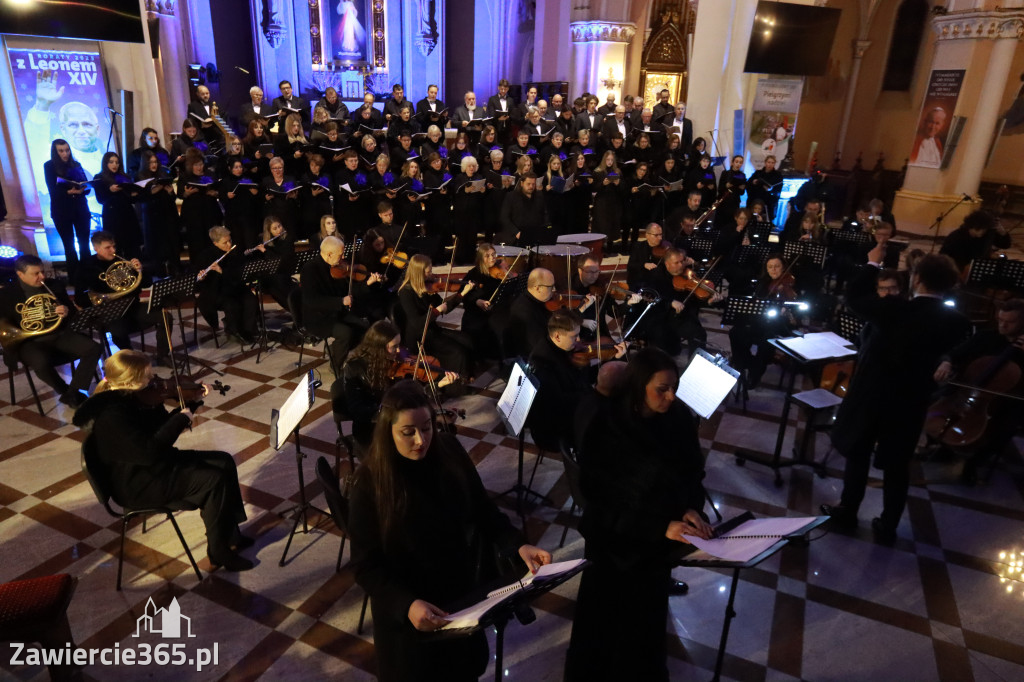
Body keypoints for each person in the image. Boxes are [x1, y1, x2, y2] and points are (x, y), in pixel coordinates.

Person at [349, 380, 551, 682]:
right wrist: (406, 605)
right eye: (408, 432)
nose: (421, 440)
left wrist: (517, 545)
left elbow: (483, 509)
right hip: (409, 616)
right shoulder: (369, 482)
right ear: (388, 432)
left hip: (459, 596)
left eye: (427, 427)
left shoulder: (449, 449)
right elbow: (366, 566)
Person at [565, 347, 713, 682]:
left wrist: (691, 506)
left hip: (654, 552)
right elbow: (601, 500)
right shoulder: (607, 425)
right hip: (614, 548)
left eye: (674, 387)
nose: (671, 397)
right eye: (662, 389)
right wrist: (660, 525)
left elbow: (692, 472)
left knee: (644, 633)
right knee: (604, 636)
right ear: (637, 387)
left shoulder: (677, 420)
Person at [822, 252, 971, 544]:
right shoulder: (957, 322)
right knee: (897, 464)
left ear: (916, 279)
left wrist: (871, 264)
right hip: (910, 400)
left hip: (871, 395)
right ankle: (888, 523)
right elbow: (963, 351)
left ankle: (848, 511)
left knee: (858, 453)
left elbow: (854, 296)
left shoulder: (896, 309)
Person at [73, 350, 253, 571]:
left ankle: (229, 534)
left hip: (154, 466)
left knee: (224, 461)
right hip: (137, 482)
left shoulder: (140, 397)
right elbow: (149, 451)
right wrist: (181, 417)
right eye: (148, 376)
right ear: (130, 382)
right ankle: (218, 552)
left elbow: (161, 431)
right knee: (213, 480)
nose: (155, 380)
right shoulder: (112, 415)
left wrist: (192, 404)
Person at [933, 299, 1024, 484]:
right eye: (1000, 320)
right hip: (969, 391)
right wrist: (947, 361)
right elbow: (955, 353)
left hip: (1004, 401)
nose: (1002, 325)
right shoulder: (987, 337)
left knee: (1005, 426)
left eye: (1009, 322)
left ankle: (974, 462)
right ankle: (944, 446)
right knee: (934, 404)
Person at [0, 255, 102, 408]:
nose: (42, 277)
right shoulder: (6, 294)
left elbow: (73, 311)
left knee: (94, 348)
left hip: (59, 333)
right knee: (41, 362)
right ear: (20, 274)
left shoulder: (54, 286)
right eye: (36, 274)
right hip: (29, 341)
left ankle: (73, 392)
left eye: (42, 272)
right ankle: (64, 391)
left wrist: (66, 311)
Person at [342, 320, 458, 453]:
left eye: (399, 345)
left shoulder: (394, 363)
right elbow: (357, 409)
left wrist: (438, 385)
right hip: (372, 428)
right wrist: (392, 414)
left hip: (399, 421)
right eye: (394, 346)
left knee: (434, 438)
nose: (399, 351)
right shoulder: (354, 368)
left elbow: (412, 395)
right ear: (379, 347)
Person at [528, 309, 625, 449]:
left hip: (572, 408)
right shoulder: (543, 363)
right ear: (557, 336)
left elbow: (584, 377)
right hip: (556, 427)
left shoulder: (564, 349)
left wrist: (613, 358)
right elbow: (559, 402)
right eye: (574, 336)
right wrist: (594, 394)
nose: (579, 340)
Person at [73, 230, 169, 360]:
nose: (113, 250)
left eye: (114, 246)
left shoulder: (122, 259)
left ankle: (163, 356)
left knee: (165, 316)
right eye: (108, 247)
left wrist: (140, 271)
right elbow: (80, 297)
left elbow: (146, 283)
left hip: (132, 306)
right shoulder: (86, 266)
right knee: (119, 331)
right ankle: (133, 360)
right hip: (109, 311)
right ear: (96, 248)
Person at [300, 235, 375, 375]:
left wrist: (367, 284)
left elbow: (349, 292)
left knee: (364, 328)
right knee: (345, 332)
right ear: (329, 254)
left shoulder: (338, 268)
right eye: (340, 255)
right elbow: (312, 300)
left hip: (337, 313)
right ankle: (336, 365)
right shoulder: (310, 269)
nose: (342, 259)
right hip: (318, 317)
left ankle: (338, 351)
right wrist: (340, 301)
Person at [397, 255, 476, 378]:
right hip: (420, 337)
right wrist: (436, 311)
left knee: (467, 340)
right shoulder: (406, 293)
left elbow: (445, 307)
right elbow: (417, 323)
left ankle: (468, 375)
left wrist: (462, 293)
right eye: (428, 272)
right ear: (418, 273)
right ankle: (457, 384)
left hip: (433, 330)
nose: (431, 274)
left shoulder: (427, 288)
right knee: (457, 352)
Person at [727, 254, 797, 388]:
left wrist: (786, 311)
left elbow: (796, 312)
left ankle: (756, 372)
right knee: (735, 332)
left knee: (767, 341)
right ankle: (746, 364)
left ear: (784, 268)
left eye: (777, 266)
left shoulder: (790, 283)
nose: (774, 270)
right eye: (770, 267)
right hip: (760, 322)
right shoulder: (762, 283)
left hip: (779, 325)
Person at [194, 226, 259, 345]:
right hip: (216, 292)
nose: (229, 244)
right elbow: (197, 280)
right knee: (231, 304)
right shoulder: (205, 255)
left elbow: (239, 274)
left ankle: (248, 330)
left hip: (234, 286)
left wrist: (222, 271)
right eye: (225, 242)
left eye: (230, 240)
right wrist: (202, 277)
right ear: (215, 243)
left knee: (250, 299)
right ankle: (235, 330)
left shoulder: (235, 253)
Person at [43, 139, 93, 277]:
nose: (65, 153)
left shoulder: (76, 164)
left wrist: (83, 188)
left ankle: (88, 276)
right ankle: (75, 278)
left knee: (84, 243)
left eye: (67, 150)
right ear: (55, 152)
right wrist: (68, 192)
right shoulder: (49, 166)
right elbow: (52, 189)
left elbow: (85, 185)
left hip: (80, 208)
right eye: (61, 151)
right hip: (61, 210)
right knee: (69, 246)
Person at [135, 150, 180, 275]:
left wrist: (170, 191)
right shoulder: (140, 177)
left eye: (155, 162)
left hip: (168, 214)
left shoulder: (163, 174)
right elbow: (140, 198)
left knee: (172, 243)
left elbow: (173, 198)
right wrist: (155, 190)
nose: (153, 165)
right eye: (150, 163)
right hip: (152, 216)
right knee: (156, 246)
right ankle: (159, 271)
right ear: (145, 164)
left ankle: (175, 268)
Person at [92, 152, 144, 260]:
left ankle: (135, 273)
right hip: (112, 216)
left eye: (117, 162)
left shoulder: (124, 177)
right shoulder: (99, 178)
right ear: (105, 163)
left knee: (132, 248)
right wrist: (110, 190)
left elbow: (132, 199)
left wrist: (135, 193)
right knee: (116, 247)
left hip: (127, 214)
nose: (115, 165)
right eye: (111, 162)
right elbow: (100, 199)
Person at [503, 268, 556, 359]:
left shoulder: (539, 301)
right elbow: (539, 345)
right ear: (538, 288)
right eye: (551, 287)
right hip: (532, 358)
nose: (554, 290)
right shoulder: (524, 310)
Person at [939, 210, 1011, 271]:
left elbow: (1005, 245)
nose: (983, 232)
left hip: (977, 268)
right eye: (981, 228)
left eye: (985, 229)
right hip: (956, 270)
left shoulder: (985, 235)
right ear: (972, 226)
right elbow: (947, 258)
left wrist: (1003, 232)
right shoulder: (956, 237)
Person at [499, 173, 551, 246]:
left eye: (533, 184)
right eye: (528, 184)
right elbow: (504, 217)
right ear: (522, 183)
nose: (531, 186)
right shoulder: (511, 196)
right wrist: (516, 232)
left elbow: (545, 214)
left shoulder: (539, 195)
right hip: (516, 237)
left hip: (535, 236)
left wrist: (546, 229)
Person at [486, 78, 516, 143]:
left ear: (508, 89)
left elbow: (513, 113)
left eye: (505, 89)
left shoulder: (510, 100)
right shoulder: (492, 99)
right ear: (498, 88)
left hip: (507, 130)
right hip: (496, 129)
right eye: (501, 89)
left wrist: (509, 117)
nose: (503, 91)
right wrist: (498, 119)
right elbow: (490, 114)